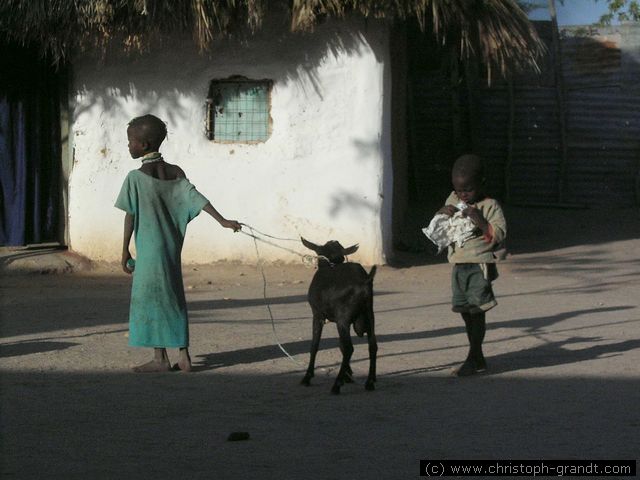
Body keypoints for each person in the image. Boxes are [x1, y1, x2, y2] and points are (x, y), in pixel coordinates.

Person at [115, 114, 241, 373]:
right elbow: (197, 198)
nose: (128, 146)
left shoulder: (135, 178)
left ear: (145, 145)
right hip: (172, 249)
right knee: (173, 297)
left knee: (150, 299)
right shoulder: (176, 173)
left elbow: (130, 216)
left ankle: (160, 358)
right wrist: (223, 221)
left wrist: (124, 249)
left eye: (131, 141)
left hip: (149, 252)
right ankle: (183, 355)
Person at [436, 154, 507, 376]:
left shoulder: (490, 206)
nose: (463, 194)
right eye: (458, 190)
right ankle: (478, 357)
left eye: (468, 189)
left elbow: (499, 236)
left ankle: (473, 357)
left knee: (477, 311)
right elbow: (441, 229)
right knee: (466, 311)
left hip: (479, 265)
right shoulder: (453, 199)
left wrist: (480, 220)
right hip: (459, 264)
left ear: (481, 183)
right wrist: (441, 212)